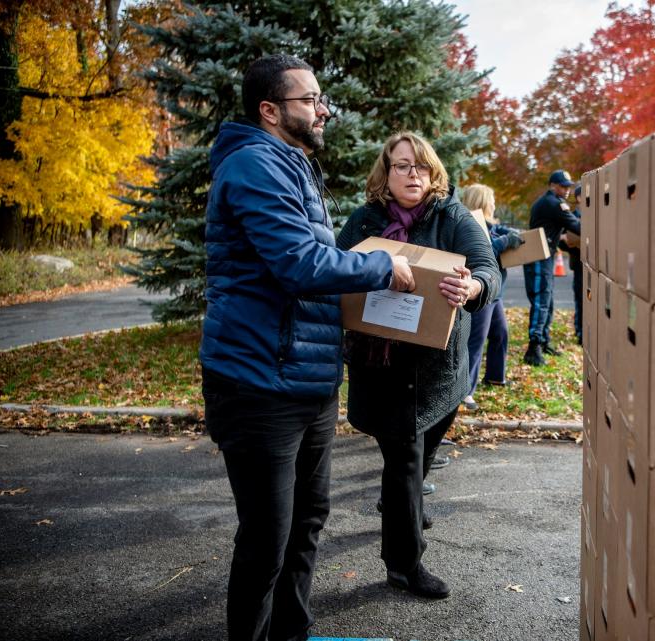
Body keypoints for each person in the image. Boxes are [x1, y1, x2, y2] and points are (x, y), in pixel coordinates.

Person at [200, 54, 415, 641]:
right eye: (310, 101)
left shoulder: (291, 166)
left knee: (306, 522)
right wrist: (381, 267)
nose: (323, 111)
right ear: (270, 110)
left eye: (323, 100)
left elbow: (310, 268)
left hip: (309, 380)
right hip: (257, 383)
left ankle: (291, 633)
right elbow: (298, 263)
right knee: (267, 539)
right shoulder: (253, 165)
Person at [336, 132, 500, 599]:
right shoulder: (367, 219)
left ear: (433, 172)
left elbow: (488, 267)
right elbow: (334, 264)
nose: (412, 175)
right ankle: (404, 564)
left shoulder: (452, 216)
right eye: (401, 166)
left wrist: (470, 289)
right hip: (382, 365)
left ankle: (400, 501)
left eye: (420, 166)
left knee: (420, 450)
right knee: (404, 457)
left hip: (437, 367)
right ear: (385, 174)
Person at [460, 184, 522, 411]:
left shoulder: (489, 225)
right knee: (475, 342)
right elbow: (484, 252)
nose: (494, 204)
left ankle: (495, 377)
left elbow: (498, 232)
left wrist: (509, 235)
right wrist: (505, 242)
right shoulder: (470, 224)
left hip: (497, 293)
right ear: (482, 201)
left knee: (500, 334)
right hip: (482, 293)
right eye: (492, 199)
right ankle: (464, 392)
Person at [522, 170, 581, 366]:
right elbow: (576, 227)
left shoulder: (550, 202)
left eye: (568, 187)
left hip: (543, 255)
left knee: (547, 301)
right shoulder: (553, 204)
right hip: (539, 257)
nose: (567, 190)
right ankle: (534, 347)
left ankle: (543, 340)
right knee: (541, 301)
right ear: (552, 185)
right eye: (563, 186)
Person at [558, 184, 583, 345]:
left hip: (598, 267)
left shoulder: (600, 213)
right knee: (581, 299)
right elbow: (562, 241)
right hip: (579, 264)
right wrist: (569, 243)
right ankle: (580, 331)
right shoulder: (572, 216)